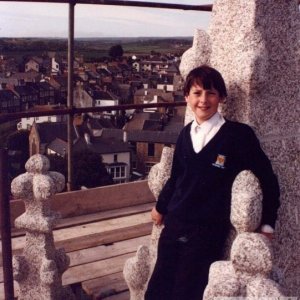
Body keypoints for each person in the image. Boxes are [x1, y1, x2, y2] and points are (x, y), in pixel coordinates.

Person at [144, 65, 280, 300]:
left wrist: (268, 224)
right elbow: (177, 177)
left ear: (222, 97)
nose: (203, 100)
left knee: (186, 292)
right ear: (186, 97)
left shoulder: (238, 136)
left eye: (211, 93)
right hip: (175, 223)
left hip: (206, 231)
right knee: (157, 290)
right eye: (197, 93)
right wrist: (161, 207)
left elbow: (268, 180)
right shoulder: (186, 134)